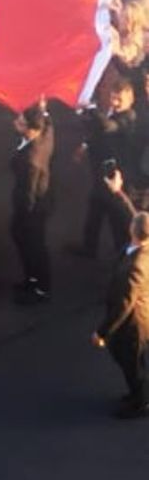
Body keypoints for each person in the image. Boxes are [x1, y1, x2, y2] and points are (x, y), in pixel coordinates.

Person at [92, 169, 149, 419]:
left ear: (132, 232)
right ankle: (140, 394)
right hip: (140, 318)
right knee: (134, 360)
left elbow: (124, 304)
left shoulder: (136, 264)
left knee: (131, 362)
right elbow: (133, 215)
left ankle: (141, 401)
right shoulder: (143, 243)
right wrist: (118, 193)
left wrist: (102, 332)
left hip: (134, 322)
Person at [70, 80, 137, 259]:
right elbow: (97, 130)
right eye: (113, 98)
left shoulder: (128, 118)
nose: (114, 102)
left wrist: (91, 108)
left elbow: (107, 127)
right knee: (95, 212)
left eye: (119, 99)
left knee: (117, 219)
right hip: (102, 172)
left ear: (130, 99)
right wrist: (85, 145)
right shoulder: (112, 113)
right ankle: (89, 248)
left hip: (115, 176)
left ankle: (124, 257)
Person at [10, 99, 54, 304]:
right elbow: (49, 125)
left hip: (32, 209)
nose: (16, 121)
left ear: (30, 129)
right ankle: (34, 278)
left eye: (21, 121)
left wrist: (24, 216)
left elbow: (28, 193)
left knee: (31, 243)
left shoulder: (30, 160)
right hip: (42, 203)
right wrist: (44, 110)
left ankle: (40, 283)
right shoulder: (45, 136)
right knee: (31, 242)